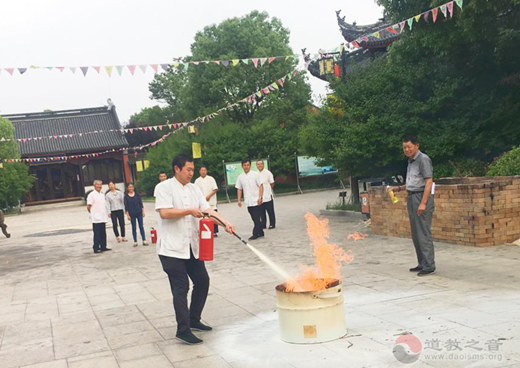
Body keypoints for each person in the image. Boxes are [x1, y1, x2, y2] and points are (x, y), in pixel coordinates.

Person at [155, 153, 235, 345]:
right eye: (188, 169)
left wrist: (224, 222)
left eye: (193, 169)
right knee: (181, 287)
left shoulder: (194, 189)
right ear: (177, 169)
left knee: (202, 281)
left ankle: (194, 319)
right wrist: (189, 211)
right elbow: (165, 213)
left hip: (191, 246)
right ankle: (183, 330)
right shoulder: (163, 187)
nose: (192, 173)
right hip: (171, 249)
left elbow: (207, 210)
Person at [388, 135, 436, 277]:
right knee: (416, 234)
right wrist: (398, 189)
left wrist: (423, 203)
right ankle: (422, 262)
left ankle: (429, 265)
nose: (407, 150)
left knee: (423, 232)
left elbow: (428, 182)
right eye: (404, 148)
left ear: (417, 146)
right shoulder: (410, 161)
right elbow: (413, 182)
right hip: (412, 196)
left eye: (409, 147)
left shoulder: (423, 159)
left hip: (421, 197)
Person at [236, 158, 264, 240]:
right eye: (244, 165)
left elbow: (261, 186)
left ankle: (255, 233)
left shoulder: (255, 175)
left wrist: (260, 197)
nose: (246, 167)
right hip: (248, 201)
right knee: (254, 218)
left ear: (250, 165)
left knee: (256, 217)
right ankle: (261, 231)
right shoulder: (240, 177)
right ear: (242, 166)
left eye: (248, 165)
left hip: (256, 200)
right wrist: (238, 199)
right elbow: (239, 189)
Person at [86, 180, 111, 254]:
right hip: (96, 218)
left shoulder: (102, 195)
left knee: (103, 233)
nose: (99, 186)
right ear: (94, 185)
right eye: (97, 185)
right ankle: (96, 248)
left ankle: (103, 246)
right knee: (97, 234)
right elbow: (88, 206)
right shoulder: (91, 195)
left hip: (102, 217)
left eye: (100, 185)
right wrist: (93, 213)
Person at [194, 166, 219, 237]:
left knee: (213, 216)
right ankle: (206, 230)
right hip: (202, 203)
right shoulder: (197, 181)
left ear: (206, 171)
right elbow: (195, 192)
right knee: (204, 217)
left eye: (204, 170)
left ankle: (214, 231)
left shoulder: (211, 179)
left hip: (211, 201)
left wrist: (209, 196)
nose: (203, 172)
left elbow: (215, 189)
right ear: (199, 171)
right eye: (202, 170)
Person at [124, 183, 148, 247]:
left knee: (141, 226)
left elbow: (140, 203)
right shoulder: (126, 196)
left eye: (132, 187)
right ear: (127, 188)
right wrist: (128, 215)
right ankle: (135, 241)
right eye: (129, 187)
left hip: (139, 212)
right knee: (134, 227)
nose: (131, 188)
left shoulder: (137, 194)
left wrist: (143, 211)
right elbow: (126, 207)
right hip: (132, 214)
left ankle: (144, 240)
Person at [256, 160, 276, 229]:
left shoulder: (268, 173)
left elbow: (272, 183)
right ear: (256, 166)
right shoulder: (255, 174)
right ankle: (263, 224)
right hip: (260, 196)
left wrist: (268, 190)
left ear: (263, 164)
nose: (260, 165)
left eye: (261, 164)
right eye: (258, 164)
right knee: (261, 212)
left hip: (268, 195)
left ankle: (272, 224)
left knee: (270, 211)